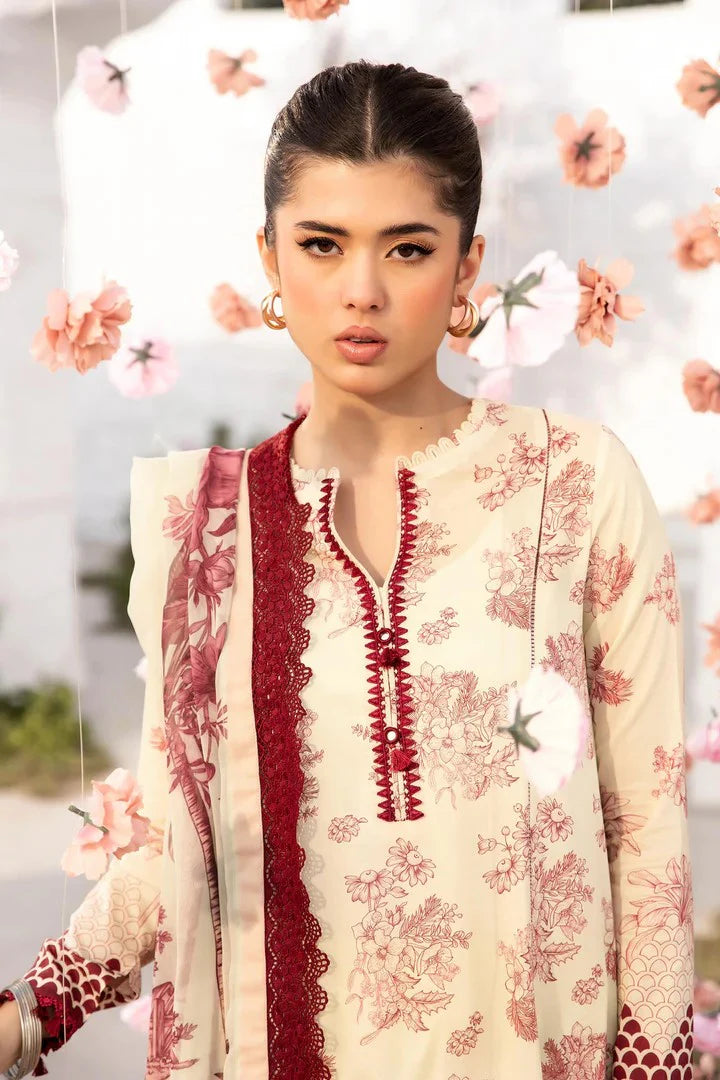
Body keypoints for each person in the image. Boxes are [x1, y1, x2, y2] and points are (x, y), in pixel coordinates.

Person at [0, 59, 693, 1080]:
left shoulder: (577, 483)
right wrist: (31, 1012)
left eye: (408, 248)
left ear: (467, 266)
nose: (361, 291)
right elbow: (173, 851)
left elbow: (648, 836)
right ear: (271, 262)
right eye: (322, 245)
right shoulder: (203, 528)